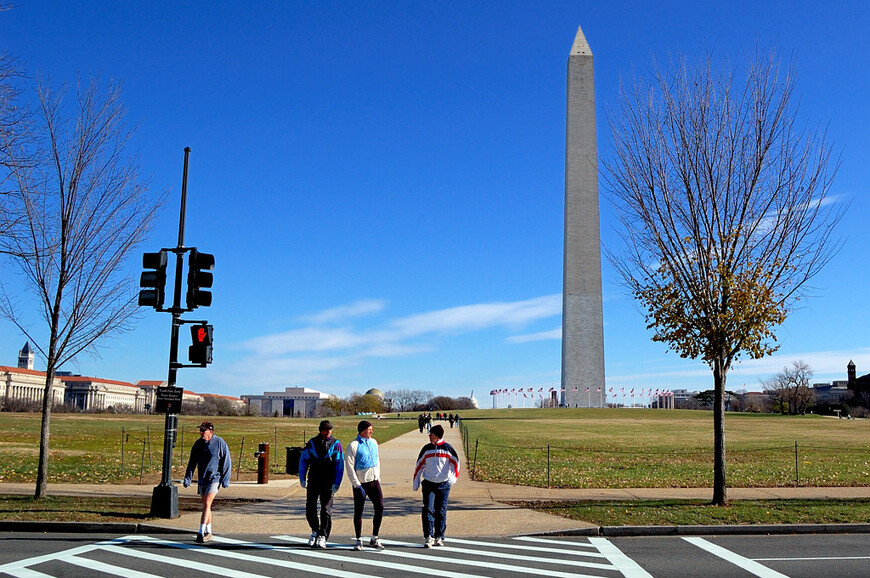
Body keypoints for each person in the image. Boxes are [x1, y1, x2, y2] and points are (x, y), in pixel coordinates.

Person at [182, 421, 232, 543]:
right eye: (201, 430)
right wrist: (188, 478)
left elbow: (226, 461)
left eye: (204, 430)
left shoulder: (220, 443)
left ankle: (200, 531)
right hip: (202, 479)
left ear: (211, 431)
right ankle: (209, 532)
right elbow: (192, 463)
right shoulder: (198, 444)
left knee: (208, 503)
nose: (201, 433)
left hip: (215, 478)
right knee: (206, 505)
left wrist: (225, 479)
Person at [412, 424, 460, 547]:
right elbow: (419, 465)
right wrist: (416, 481)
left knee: (441, 510)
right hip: (428, 484)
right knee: (428, 508)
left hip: (443, 484)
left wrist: (452, 479)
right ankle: (429, 536)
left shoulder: (447, 448)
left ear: (437, 436)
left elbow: (456, 464)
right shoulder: (426, 449)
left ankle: (439, 536)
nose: (429, 435)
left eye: (431, 434)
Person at [298, 420, 344, 548]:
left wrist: (337, 482)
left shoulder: (336, 444)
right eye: (325, 429)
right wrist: (302, 478)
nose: (328, 431)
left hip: (328, 480)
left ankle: (323, 535)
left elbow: (340, 464)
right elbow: (303, 461)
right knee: (310, 508)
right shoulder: (312, 442)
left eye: (330, 429)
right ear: (320, 430)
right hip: (314, 478)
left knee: (326, 509)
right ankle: (315, 531)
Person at [345, 420, 385, 550]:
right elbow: (350, 467)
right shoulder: (353, 445)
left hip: (374, 481)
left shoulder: (374, 442)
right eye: (369, 430)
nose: (371, 432)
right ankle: (358, 539)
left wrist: (377, 477)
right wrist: (356, 484)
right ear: (362, 430)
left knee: (379, 507)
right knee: (359, 511)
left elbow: (377, 460)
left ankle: (375, 537)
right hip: (360, 484)